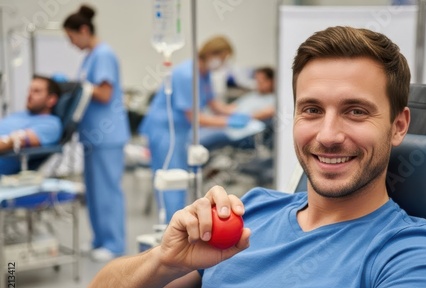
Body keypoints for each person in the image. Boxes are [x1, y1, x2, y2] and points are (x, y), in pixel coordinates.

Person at [0, 26, 426, 288]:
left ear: (399, 126)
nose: (328, 135)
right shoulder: (250, 212)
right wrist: (165, 259)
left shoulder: (414, 254)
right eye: (311, 110)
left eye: (356, 111)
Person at [138, 35, 253, 224]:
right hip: (166, 130)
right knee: (172, 180)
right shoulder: (187, 74)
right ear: (212, 54)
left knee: (181, 178)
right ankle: (172, 227)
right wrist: (228, 123)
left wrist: (236, 112)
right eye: (222, 59)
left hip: (180, 131)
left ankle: (178, 222)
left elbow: (213, 104)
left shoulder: (204, 73)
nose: (222, 64)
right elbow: (194, 117)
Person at [63, 5, 131, 262]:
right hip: (93, 136)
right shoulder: (90, 55)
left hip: (108, 136)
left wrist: (78, 87)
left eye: (71, 38)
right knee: (93, 191)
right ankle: (99, 239)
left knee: (107, 190)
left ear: (83, 30)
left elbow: (104, 94)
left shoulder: (103, 54)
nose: (71, 44)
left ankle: (114, 244)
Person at [198, 65, 276, 149]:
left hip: (243, 132)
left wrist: (244, 117)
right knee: (197, 133)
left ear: (271, 81)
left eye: (261, 81)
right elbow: (230, 109)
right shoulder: (252, 95)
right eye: (256, 80)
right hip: (229, 126)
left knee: (201, 140)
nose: (258, 84)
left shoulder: (275, 99)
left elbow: (267, 112)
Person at [0, 75, 62, 175]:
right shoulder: (20, 114)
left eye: (36, 91)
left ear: (51, 100)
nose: (29, 95)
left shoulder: (50, 124)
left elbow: (17, 140)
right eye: (30, 90)